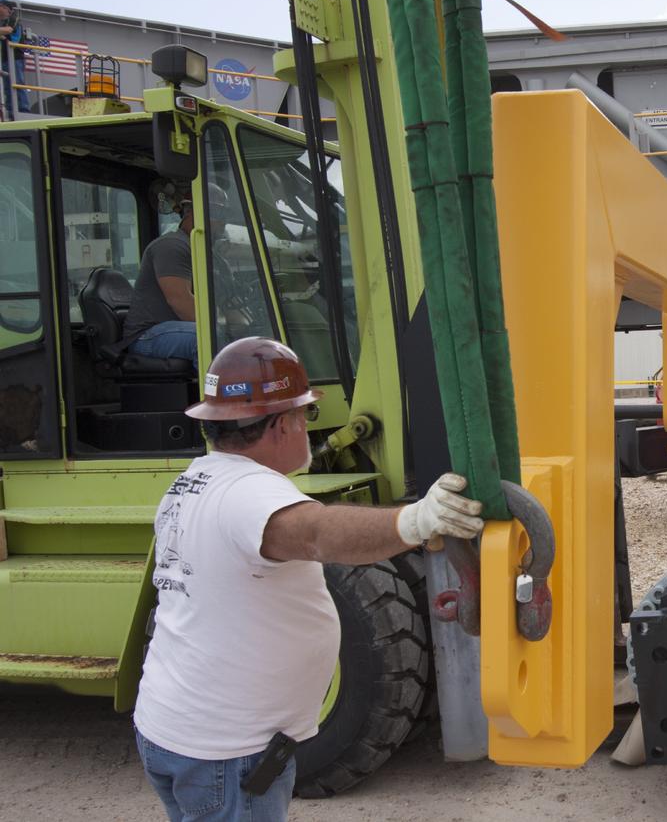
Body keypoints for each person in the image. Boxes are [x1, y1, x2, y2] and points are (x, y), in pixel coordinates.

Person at [133, 336, 485, 821]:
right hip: (227, 754)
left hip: (176, 730)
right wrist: (416, 520)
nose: (308, 427)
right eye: (305, 415)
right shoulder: (249, 493)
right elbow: (316, 533)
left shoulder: (195, 479)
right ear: (282, 424)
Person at [123, 183, 204, 366]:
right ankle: (218, 395)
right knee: (210, 341)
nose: (224, 222)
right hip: (147, 334)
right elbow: (179, 301)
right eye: (219, 215)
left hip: (175, 328)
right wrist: (222, 330)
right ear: (192, 213)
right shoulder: (172, 246)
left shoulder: (208, 252)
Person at [0, 0, 30, 118]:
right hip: (4, 58)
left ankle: (22, 111)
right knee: (8, 86)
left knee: (17, 83)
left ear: (6, 8)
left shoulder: (13, 18)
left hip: (15, 57)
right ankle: (11, 111)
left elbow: (9, 30)